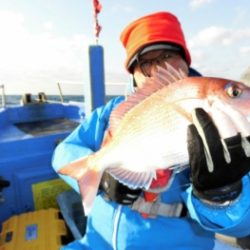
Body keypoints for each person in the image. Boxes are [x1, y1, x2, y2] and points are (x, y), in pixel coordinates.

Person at [52, 11, 250, 250]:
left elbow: (244, 226)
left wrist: (223, 195)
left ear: (185, 62)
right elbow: (63, 153)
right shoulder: (108, 115)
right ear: (133, 74)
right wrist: (103, 179)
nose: (158, 67)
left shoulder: (234, 130)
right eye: (146, 62)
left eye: (167, 55)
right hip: (96, 244)